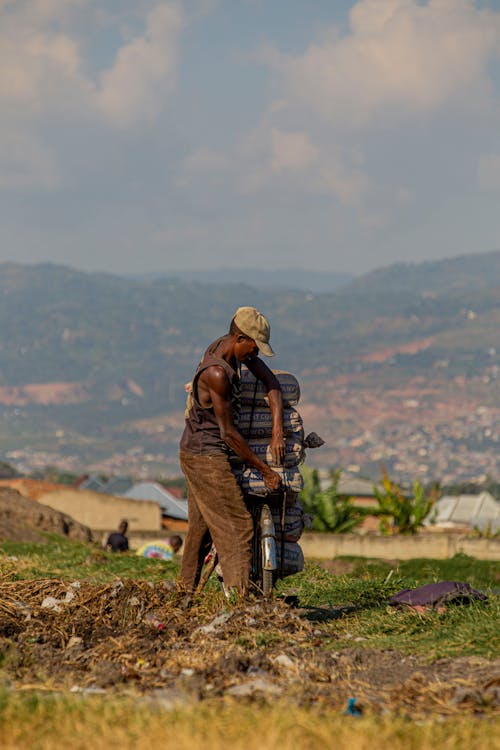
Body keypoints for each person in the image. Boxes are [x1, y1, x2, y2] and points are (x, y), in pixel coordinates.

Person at [178, 306, 284, 597]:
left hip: (195, 451)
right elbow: (228, 434)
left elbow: (272, 383)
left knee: (199, 532)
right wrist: (265, 471)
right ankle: (240, 604)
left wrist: (277, 432)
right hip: (205, 456)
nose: (256, 354)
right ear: (240, 338)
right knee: (238, 527)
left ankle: (182, 596)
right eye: (253, 347)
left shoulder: (224, 347)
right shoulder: (216, 372)